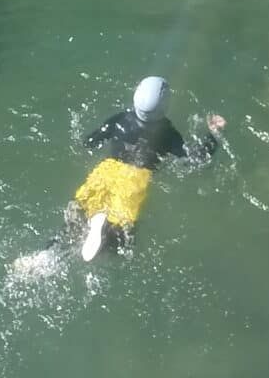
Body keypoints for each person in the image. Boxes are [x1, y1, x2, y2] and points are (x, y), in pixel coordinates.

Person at [71, 76, 224, 259]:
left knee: (74, 218)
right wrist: (213, 135)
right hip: (135, 179)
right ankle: (105, 232)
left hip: (107, 170)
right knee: (123, 238)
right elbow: (196, 158)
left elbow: (90, 142)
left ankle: (43, 255)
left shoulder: (120, 119)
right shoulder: (168, 134)